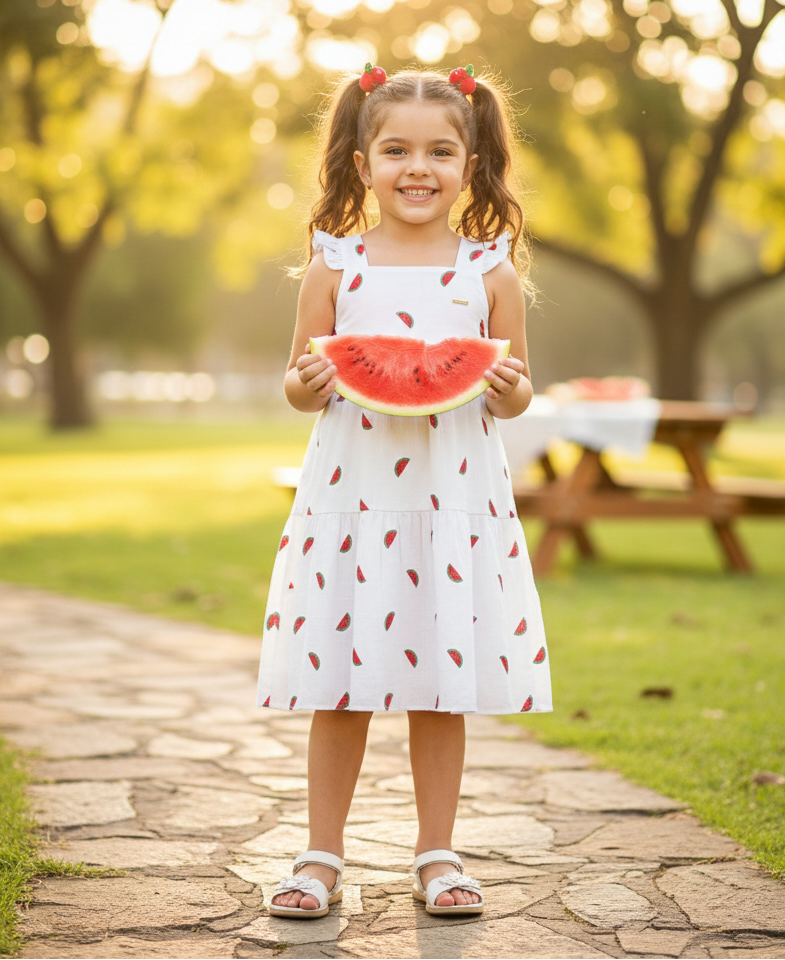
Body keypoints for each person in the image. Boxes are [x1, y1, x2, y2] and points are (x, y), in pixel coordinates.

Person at [257, 64, 552, 919]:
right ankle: (320, 856)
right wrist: (313, 381)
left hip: (450, 504)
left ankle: (437, 853)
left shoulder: (487, 272)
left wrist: (507, 390)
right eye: (395, 150)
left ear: (471, 164)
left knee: (440, 683)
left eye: (439, 152)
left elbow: (520, 380)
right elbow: (300, 381)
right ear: (361, 161)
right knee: (337, 682)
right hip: (352, 502)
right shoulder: (334, 266)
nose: (416, 168)